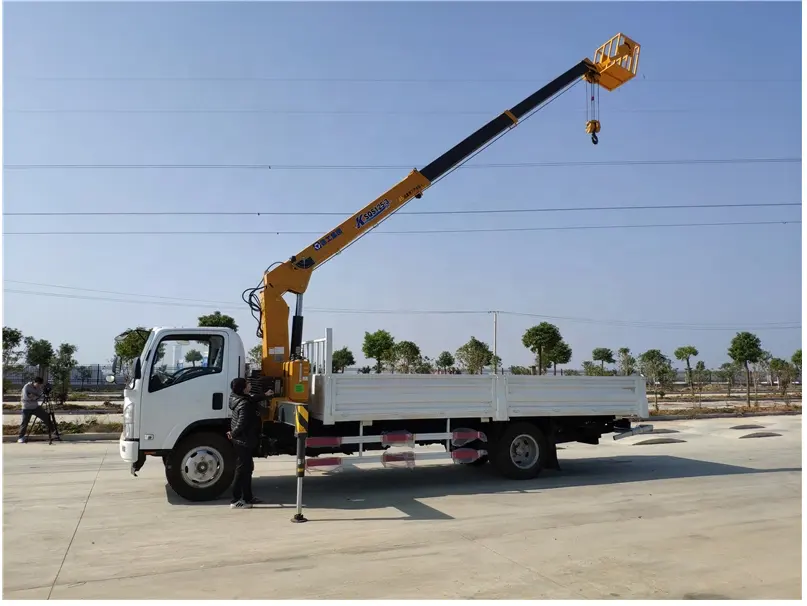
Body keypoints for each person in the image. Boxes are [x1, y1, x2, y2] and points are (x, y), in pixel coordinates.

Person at [228, 377, 272, 509]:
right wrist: (233, 433)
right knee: (242, 470)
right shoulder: (244, 404)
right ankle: (235, 500)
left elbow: (252, 398)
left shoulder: (237, 397)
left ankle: (248, 497)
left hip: (243, 440)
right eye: (247, 384)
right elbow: (242, 422)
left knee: (248, 469)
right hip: (243, 440)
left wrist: (264, 395)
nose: (249, 384)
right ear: (243, 388)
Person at [18, 377, 55, 443]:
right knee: (25, 422)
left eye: (40, 384)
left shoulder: (39, 387)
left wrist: (34, 396)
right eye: (38, 384)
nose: (39, 385)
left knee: (46, 416)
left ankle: (54, 431)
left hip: (35, 407)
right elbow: (27, 397)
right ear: (34, 382)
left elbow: (38, 396)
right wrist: (35, 397)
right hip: (26, 407)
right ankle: (20, 437)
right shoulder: (27, 387)